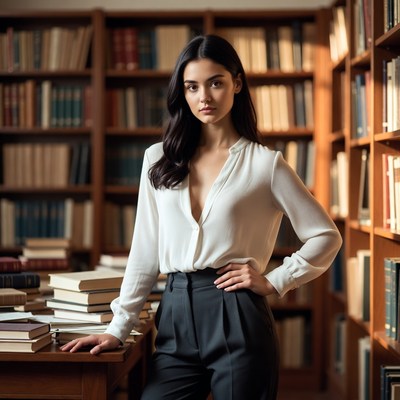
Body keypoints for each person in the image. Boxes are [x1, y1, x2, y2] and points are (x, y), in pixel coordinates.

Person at [61, 34, 342, 399]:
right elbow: (144, 254)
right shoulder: (158, 159)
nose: (204, 97)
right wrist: (118, 328)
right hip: (175, 312)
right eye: (192, 87)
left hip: (238, 314)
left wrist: (276, 281)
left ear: (237, 83)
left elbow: (326, 236)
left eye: (216, 83)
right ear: (182, 92)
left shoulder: (265, 165)